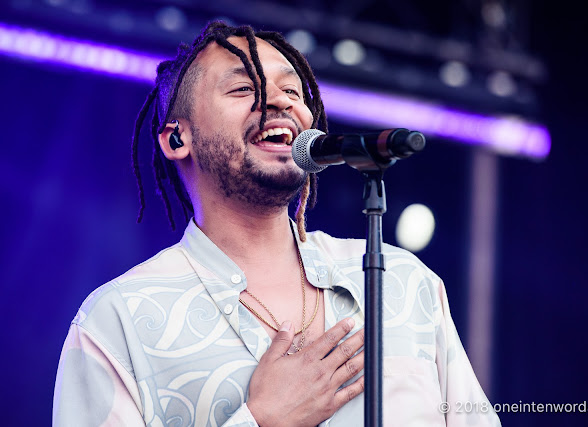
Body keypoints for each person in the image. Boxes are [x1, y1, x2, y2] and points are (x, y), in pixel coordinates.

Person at [53, 21, 500, 427]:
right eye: (243, 89)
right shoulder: (118, 321)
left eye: (293, 91)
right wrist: (262, 420)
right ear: (176, 138)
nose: (279, 102)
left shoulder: (404, 284)